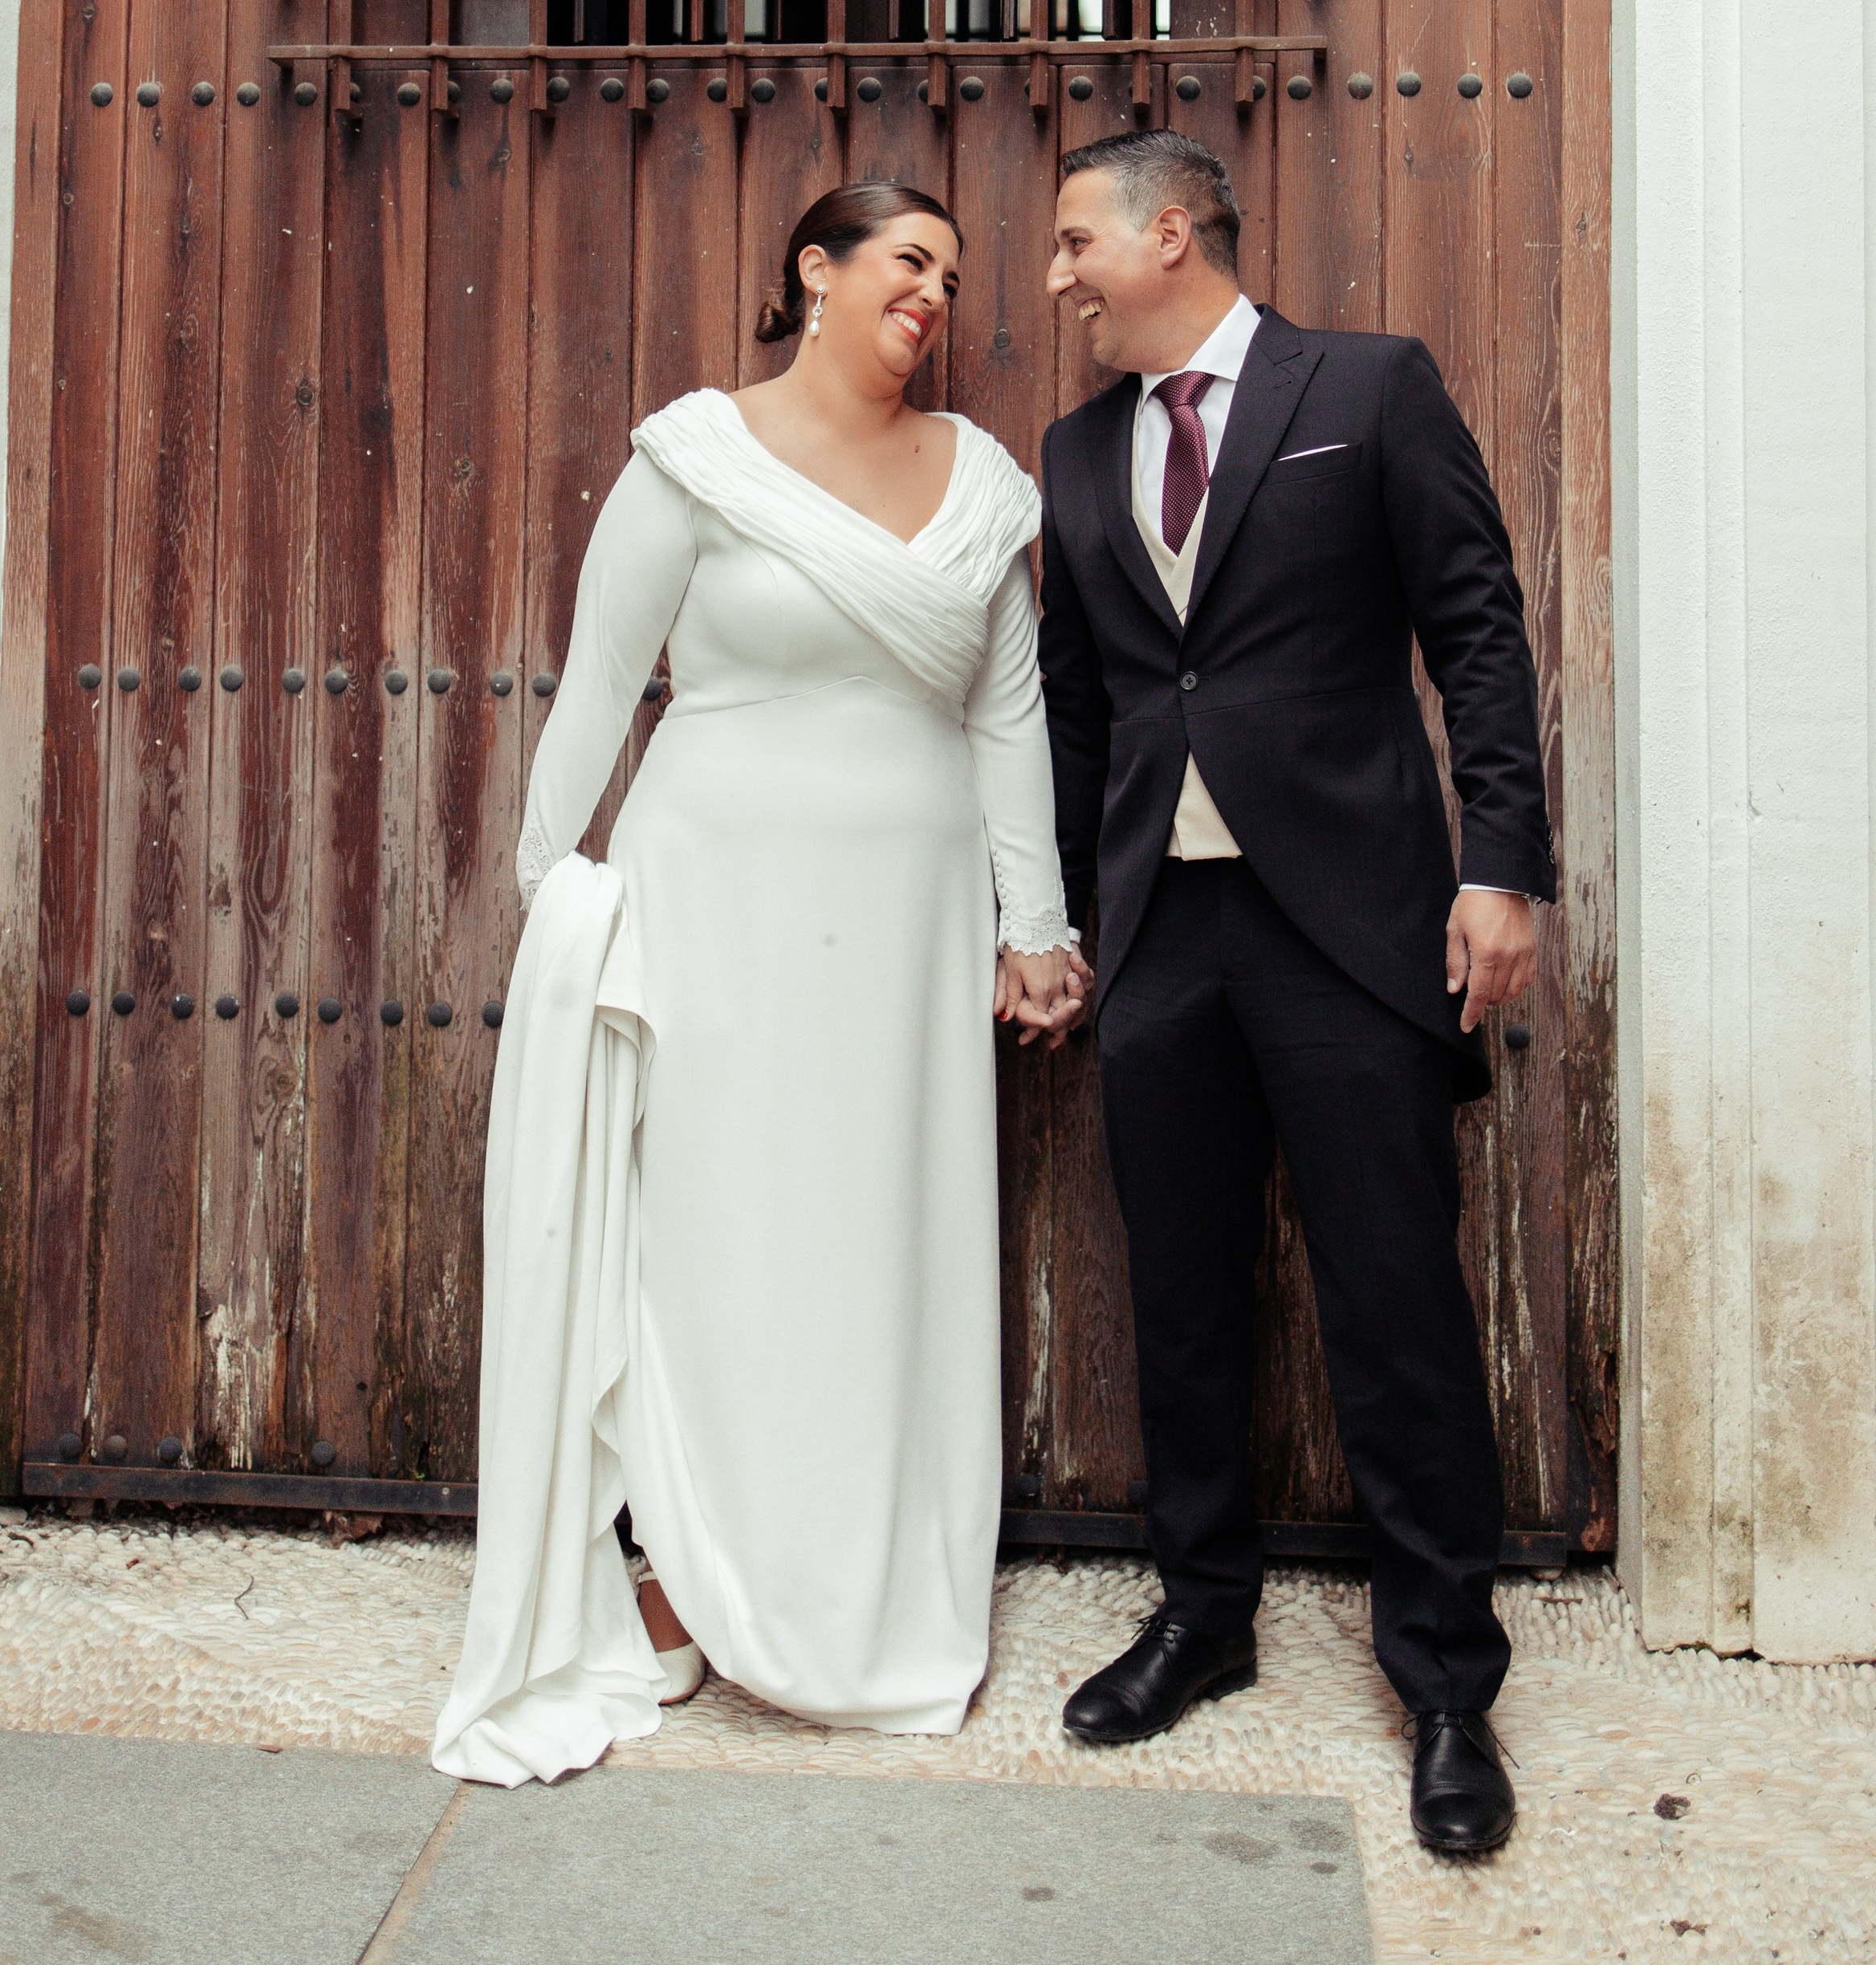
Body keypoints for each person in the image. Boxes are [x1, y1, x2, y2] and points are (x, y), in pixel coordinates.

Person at [434, 180, 1086, 1788]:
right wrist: (548, 888)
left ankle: (863, 1585)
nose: (933, 295)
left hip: (907, 915)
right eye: (907, 261)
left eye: (952, 277)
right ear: (816, 270)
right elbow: (601, 680)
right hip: (714, 895)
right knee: (717, 1230)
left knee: (876, 1240)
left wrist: (1034, 922)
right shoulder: (695, 459)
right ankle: (672, 1566)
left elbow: (1006, 714)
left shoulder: (981, 484)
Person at [1036, 129, 1552, 1858]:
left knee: (1393, 1301)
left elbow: (1475, 629)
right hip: (1160, 936)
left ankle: (1448, 1683)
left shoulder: (1370, 387)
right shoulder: (1078, 450)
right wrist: (1065, 920)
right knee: (1180, 1296)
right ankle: (1205, 1617)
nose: (1058, 276)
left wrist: (1500, 866)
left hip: (1347, 923)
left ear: (1170, 233)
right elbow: (1081, 710)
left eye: (1076, 242)